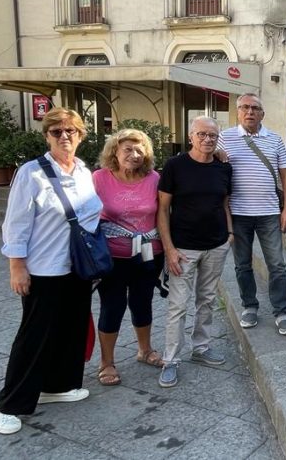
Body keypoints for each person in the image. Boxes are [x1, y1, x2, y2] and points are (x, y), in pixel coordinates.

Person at [0, 108, 101, 434]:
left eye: (71, 131)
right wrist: (17, 267)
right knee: (34, 336)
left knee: (69, 330)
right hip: (43, 269)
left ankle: (57, 386)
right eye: (56, 131)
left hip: (77, 269)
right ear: (47, 136)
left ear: (81, 135)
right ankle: (7, 404)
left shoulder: (84, 171)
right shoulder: (32, 173)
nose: (64, 136)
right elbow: (16, 224)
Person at [157, 116, 233, 388]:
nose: (207, 139)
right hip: (183, 248)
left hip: (216, 244)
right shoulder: (175, 166)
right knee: (178, 305)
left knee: (207, 299)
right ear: (191, 136)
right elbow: (162, 210)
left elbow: (225, 203)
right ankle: (170, 360)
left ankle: (201, 347)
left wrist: (230, 234)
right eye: (202, 134)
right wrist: (169, 250)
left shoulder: (224, 167)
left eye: (213, 135)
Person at [217, 93, 286, 335]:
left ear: (262, 113)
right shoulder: (224, 138)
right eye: (245, 108)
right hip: (238, 214)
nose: (250, 112)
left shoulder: (274, 139)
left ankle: (282, 311)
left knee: (278, 265)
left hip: (269, 212)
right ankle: (249, 306)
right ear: (238, 111)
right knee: (242, 265)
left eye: (255, 108)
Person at [92, 129, 164, 386]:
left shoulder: (154, 178)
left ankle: (144, 350)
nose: (134, 155)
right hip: (112, 256)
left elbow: (163, 214)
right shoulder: (99, 178)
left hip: (148, 254)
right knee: (112, 305)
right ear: (114, 152)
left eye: (139, 150)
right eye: (128, 150)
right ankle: (107, 362)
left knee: (143, 302)